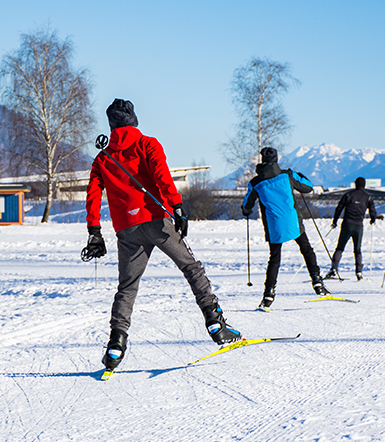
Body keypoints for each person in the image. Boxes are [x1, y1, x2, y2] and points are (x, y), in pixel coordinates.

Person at [83, 99, 240, 371]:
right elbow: (162, 176)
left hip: (126, 229)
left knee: (127, 287)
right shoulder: (148, 144)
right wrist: (177, 207)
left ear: (111, 125)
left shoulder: (102, 157)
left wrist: (94, 231)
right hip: (157, 220)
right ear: (133, 119)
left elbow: (93, 194)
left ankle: (116, 345)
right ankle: (215, 323)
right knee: (191, 268)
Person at [241, 147, 329, 310]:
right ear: (276, 159)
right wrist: (300, 175)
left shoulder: (255, 182)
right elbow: (308, 187)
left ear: (262, 160)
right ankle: (317, 282)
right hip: (293, 221)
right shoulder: (287, 175)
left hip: (274, 225)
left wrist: (246, 210)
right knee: (307, 250)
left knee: (274, 259)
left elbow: (247, 205)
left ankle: (268, 294)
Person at [326, 177, 378, 281]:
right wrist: (373, 219)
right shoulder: (367, 197)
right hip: (359, 226)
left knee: (340, 247)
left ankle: (334, 270)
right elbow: (372, 210)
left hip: (347, 224)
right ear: (364, 185)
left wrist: (335, 221)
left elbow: (339, 208)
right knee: (357, 249)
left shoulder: (348, 195)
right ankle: (358, 272)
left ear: (355, 184)